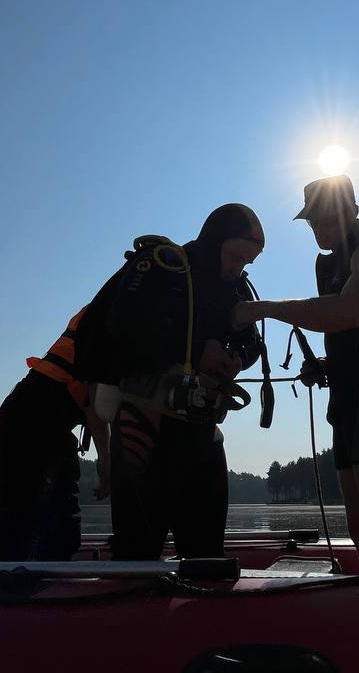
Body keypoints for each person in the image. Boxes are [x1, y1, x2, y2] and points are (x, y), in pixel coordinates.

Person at [233, 175, 359, 574]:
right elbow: (347, 331)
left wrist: (264, 308)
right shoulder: (331, 260)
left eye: (327, 217)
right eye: (312, 220)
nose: (319, 227)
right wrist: (324, 365)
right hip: (346, 403)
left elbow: (351, 309)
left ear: (353, 208)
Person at [76, 204, 265, 561]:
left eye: (246, 263)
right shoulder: (162, 267)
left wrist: (236, 357)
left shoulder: (234, 289)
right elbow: (118, 327)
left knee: (207, 552)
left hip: (201, 432)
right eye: (235, 257)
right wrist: (194, 350)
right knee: (137, 550)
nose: (237, 269)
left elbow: (253, 342)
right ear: (214, 241)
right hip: (145, 428)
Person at [0, 307, 110, 561]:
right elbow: (96, 403)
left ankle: (44, 583)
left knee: (63, 532)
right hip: (29, 422)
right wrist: (106, 462)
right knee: (18, 528)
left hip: (43, 424)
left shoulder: (108, 311)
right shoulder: (111, 317)